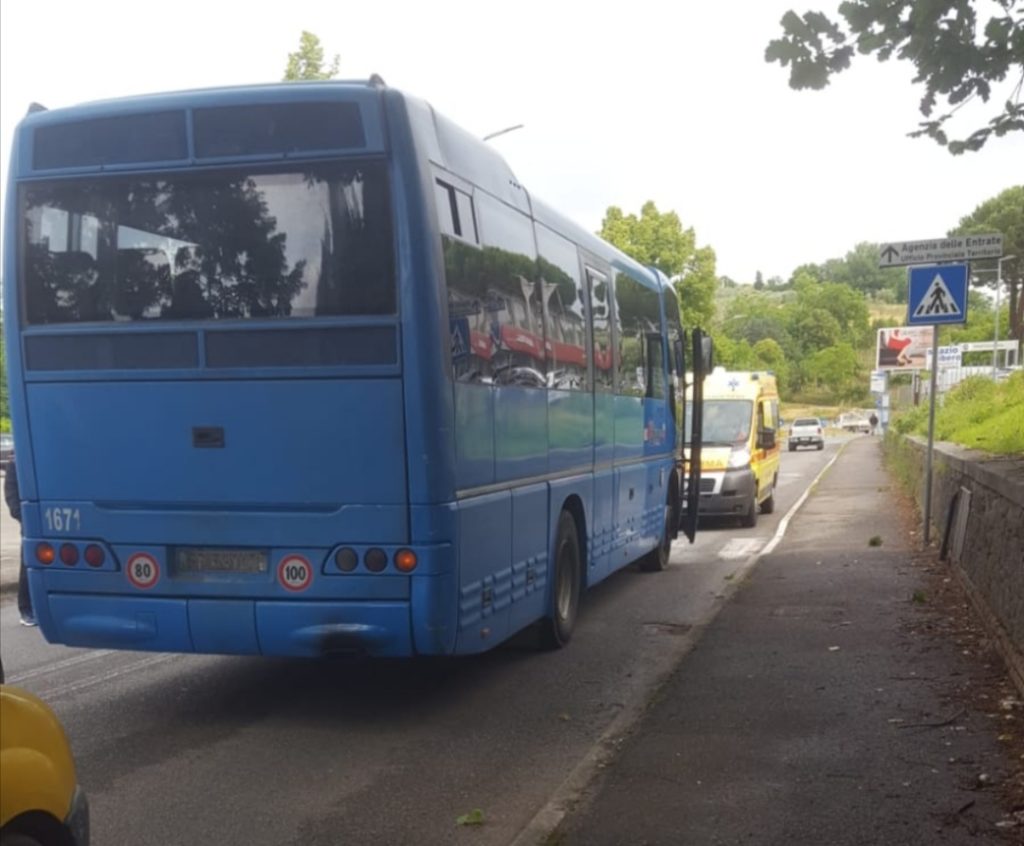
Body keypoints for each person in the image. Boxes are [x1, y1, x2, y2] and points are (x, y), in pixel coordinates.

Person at [3, 459, 36, 626]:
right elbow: (11, 498)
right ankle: (26, 609)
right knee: (28, 565)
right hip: (31, 523)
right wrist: (25, 519)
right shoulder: (14, 464)